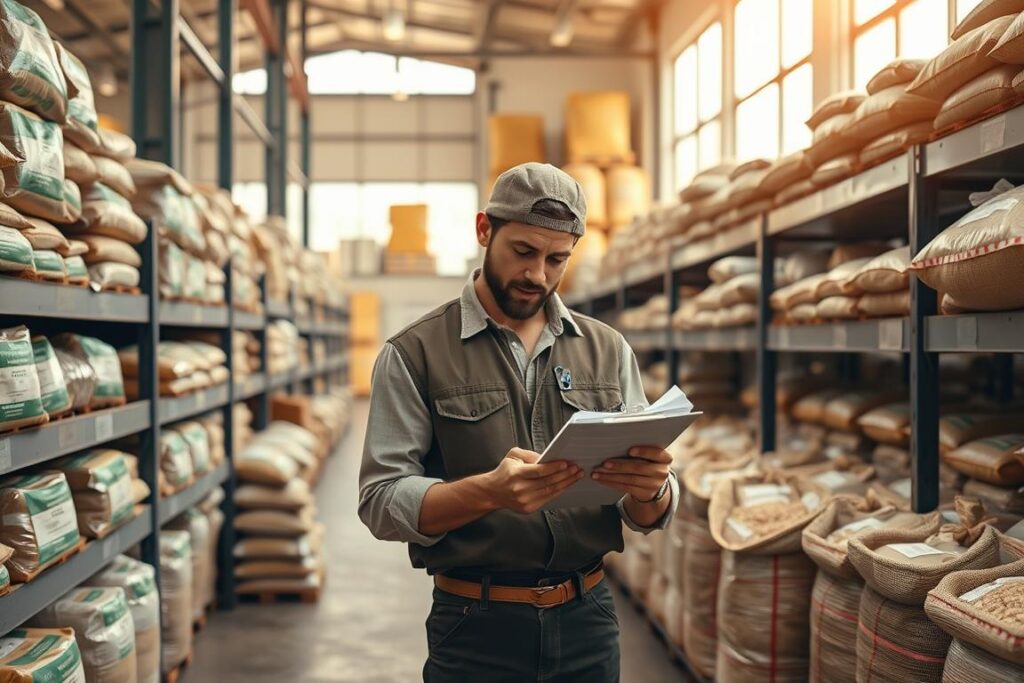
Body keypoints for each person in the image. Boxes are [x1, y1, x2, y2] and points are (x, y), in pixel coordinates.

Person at [358, 162, 679, 682]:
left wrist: (652, 491)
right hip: (474, 627)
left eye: (558, 260)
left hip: (587, 622)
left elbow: (644, 510)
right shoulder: (414, 353)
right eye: (524, 252)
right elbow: (380, 502)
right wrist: (488, 493)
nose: (539, 275)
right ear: (485, 230)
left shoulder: (608, 349)